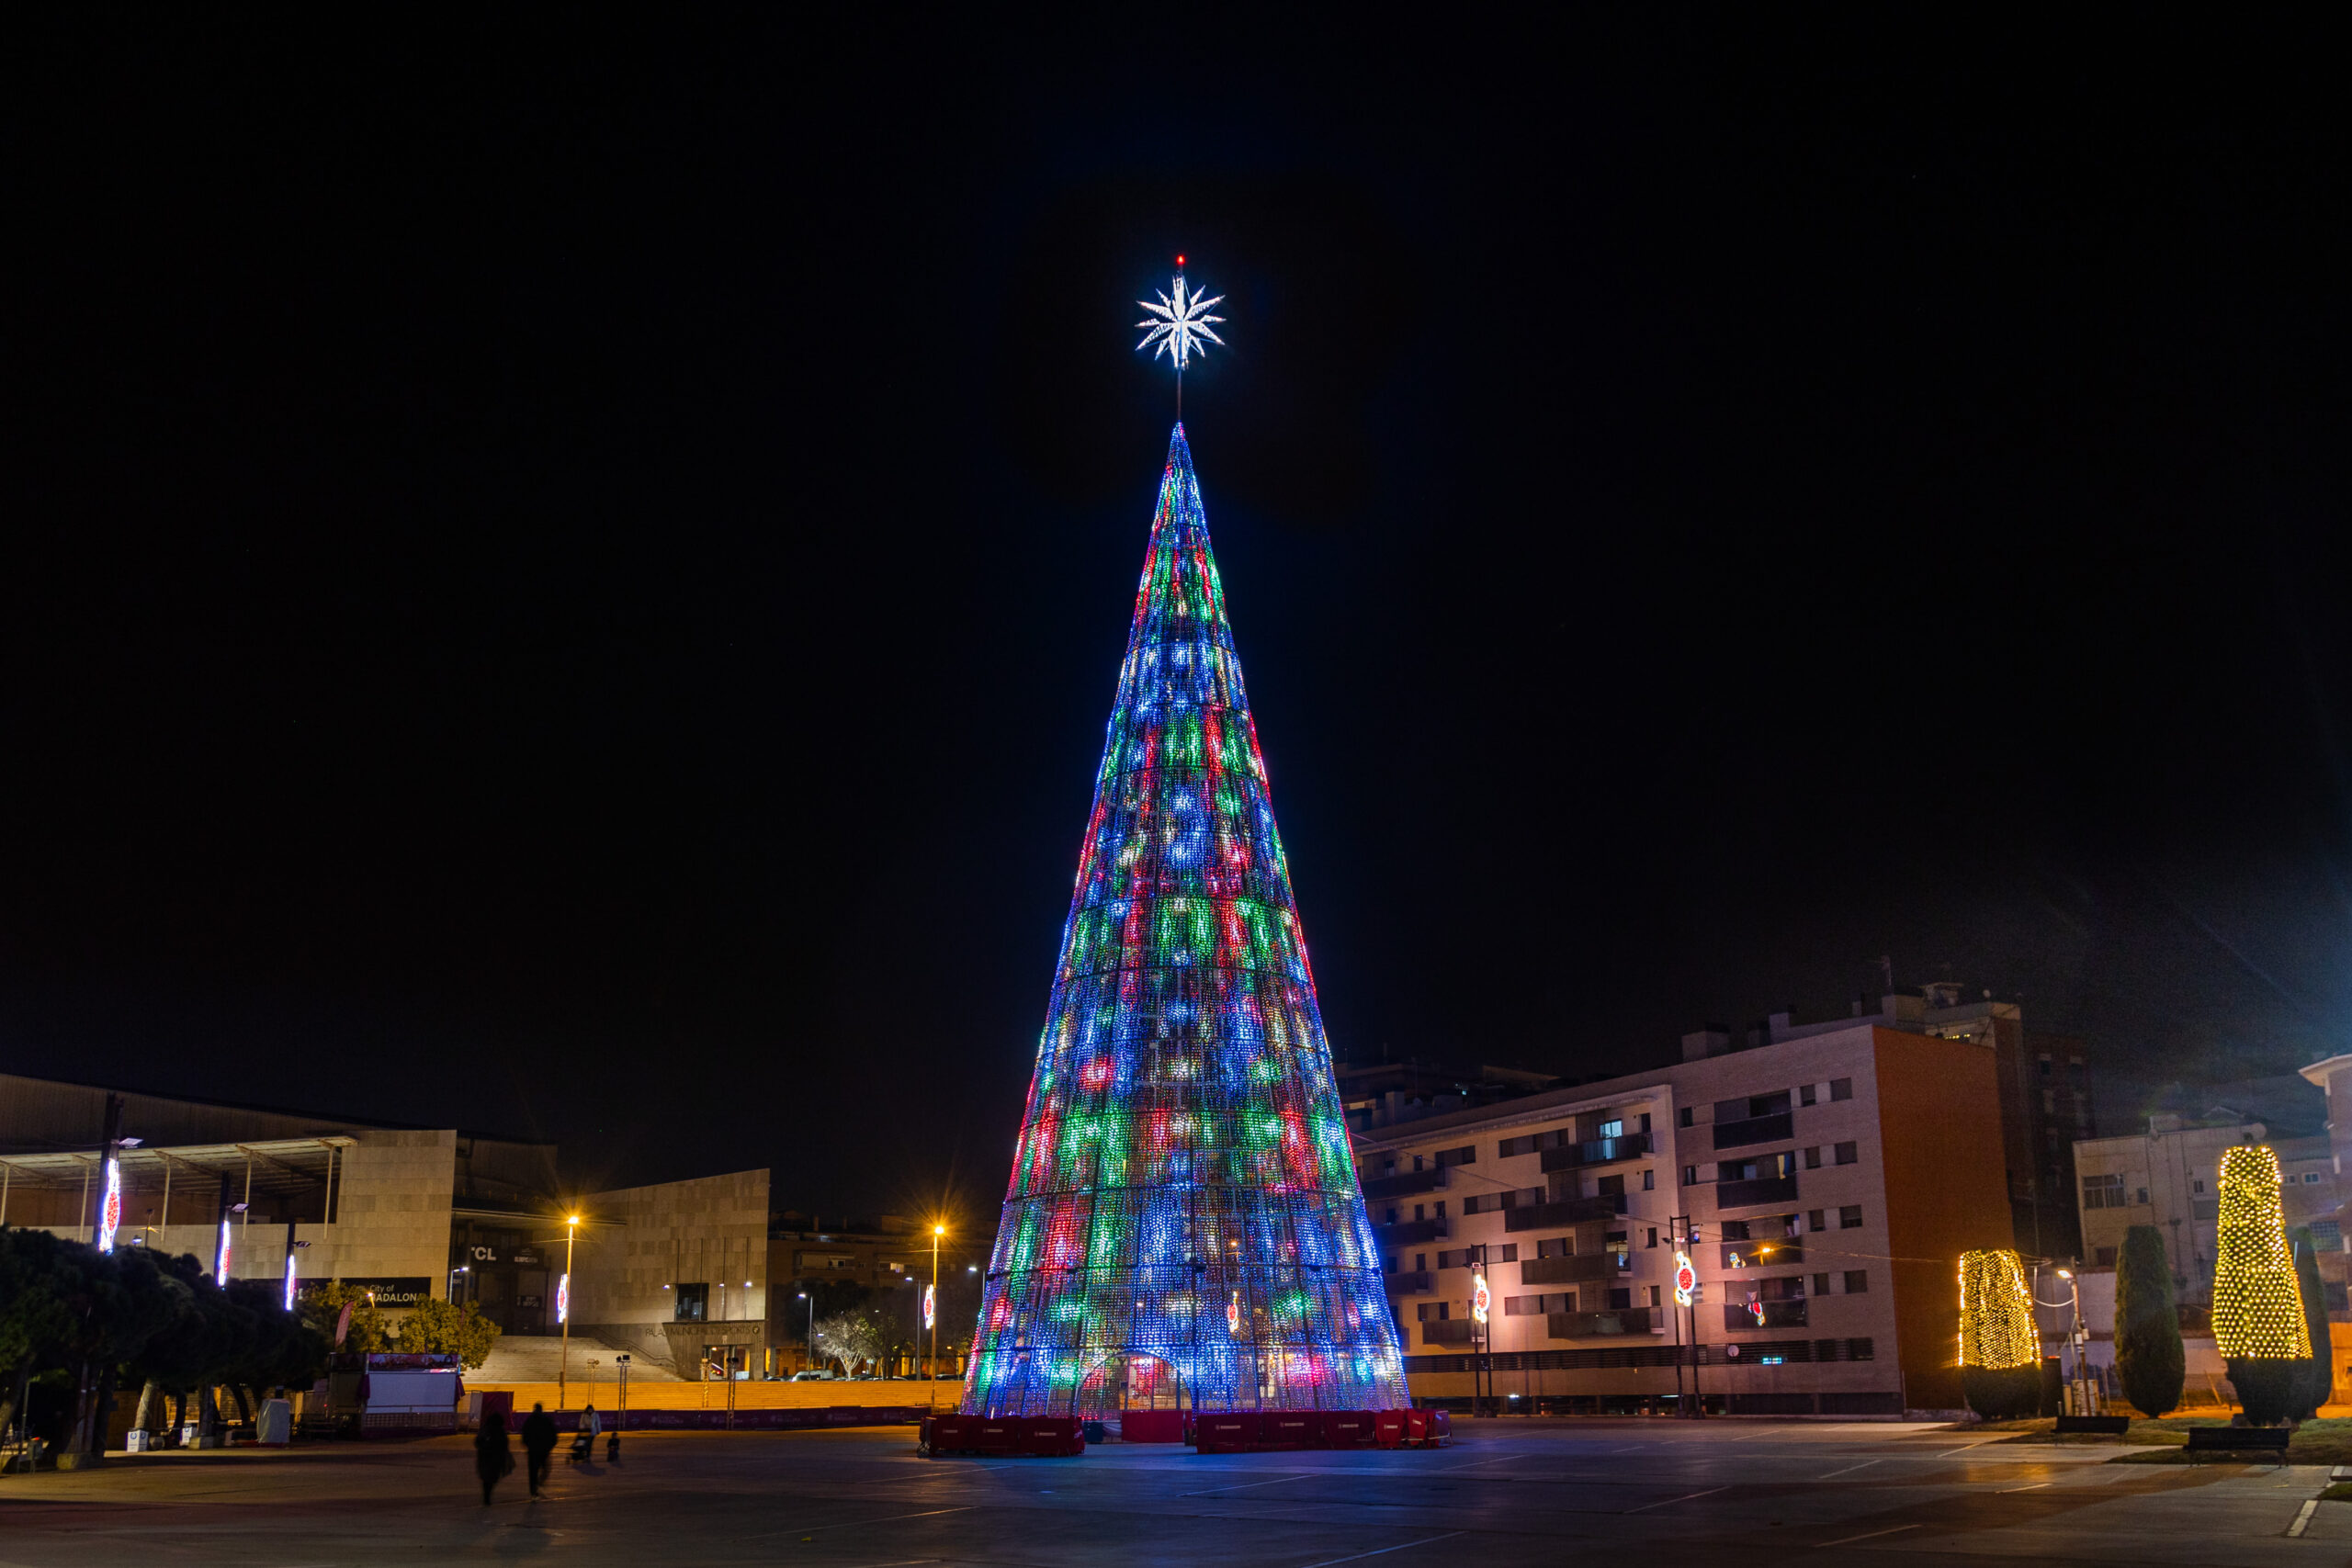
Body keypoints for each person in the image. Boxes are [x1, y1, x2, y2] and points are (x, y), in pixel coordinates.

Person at [519, 1402, 559, 1496]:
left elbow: (524, 1436)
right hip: (544, 1451)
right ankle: (539, 1484)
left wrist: (528, 1446)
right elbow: (554, 1435)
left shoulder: (529, 1420)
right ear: (541, 1409)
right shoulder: (547, 1420)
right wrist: (549, 1447)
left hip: (533, 1451)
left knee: (533, 1472)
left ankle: (533, 1493)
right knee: (546, 1469)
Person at [473, 1410, 512, 1506]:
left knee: (486, 1478)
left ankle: (487, 1495)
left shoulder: (485, 1429)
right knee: (492, 1477)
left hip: (485, 1458)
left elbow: (478, 1442)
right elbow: (505, 1444)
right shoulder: (500, 1431)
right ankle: (488, 1495)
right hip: (495, 1459)